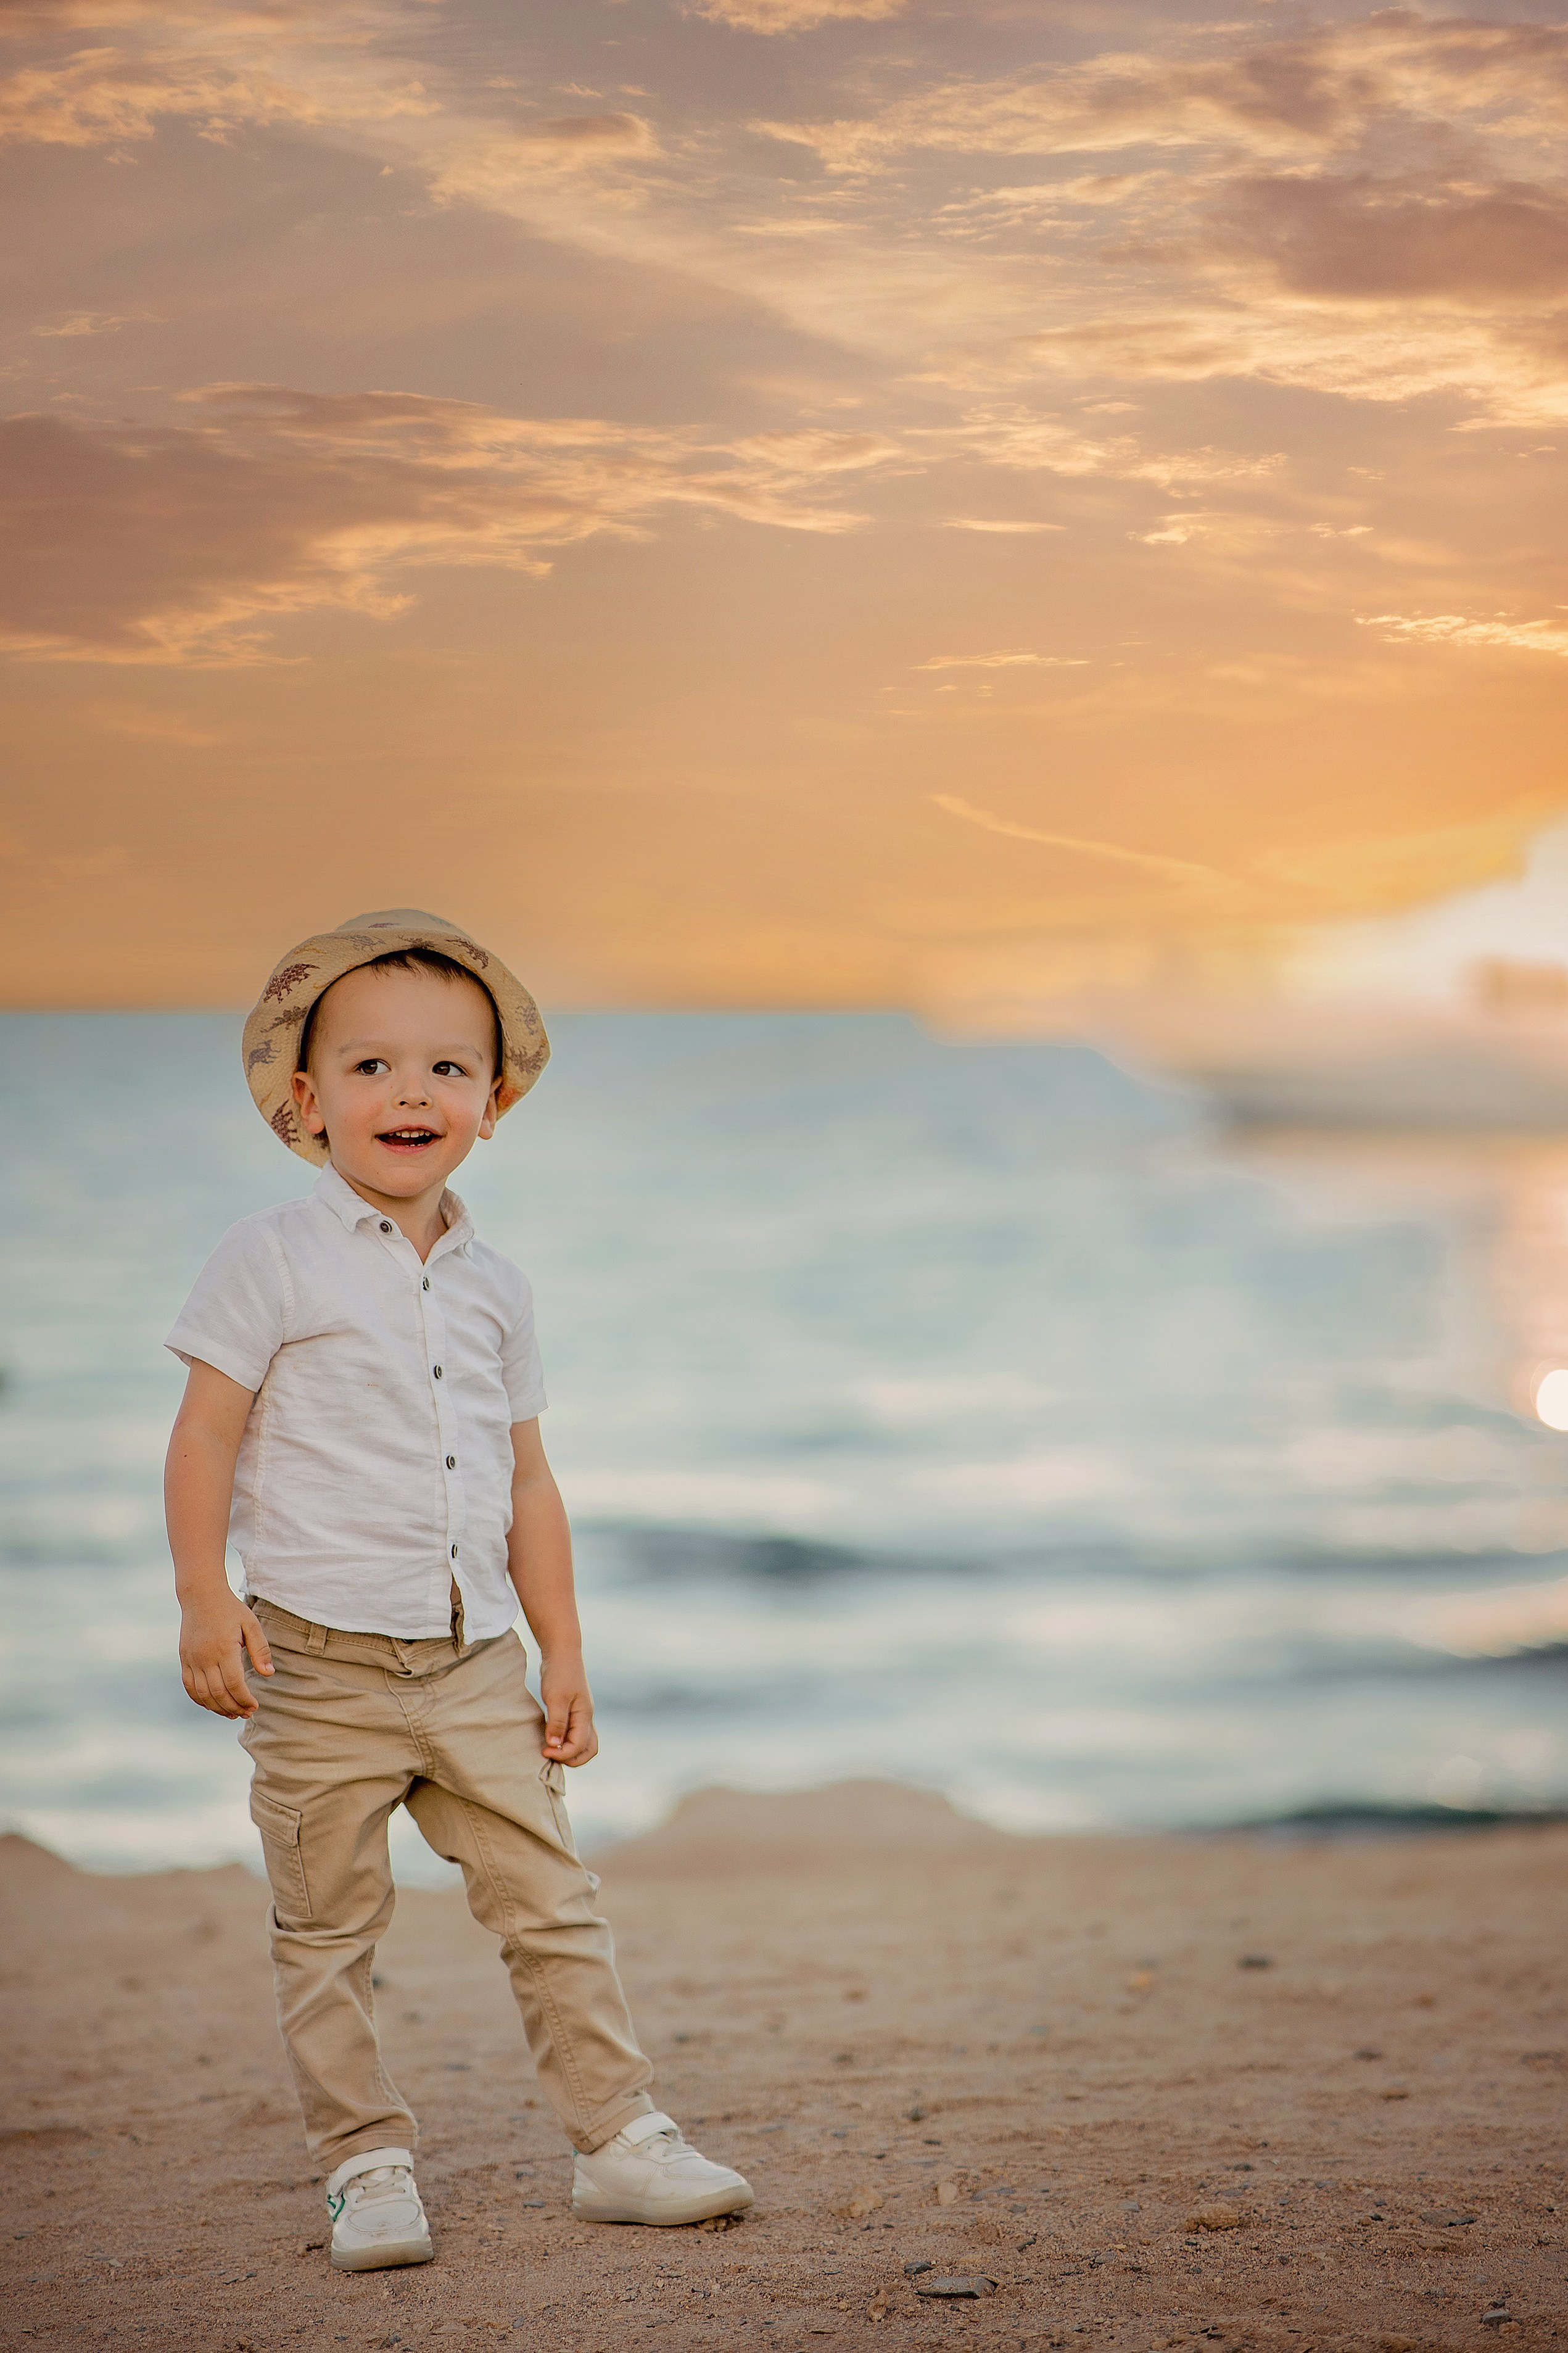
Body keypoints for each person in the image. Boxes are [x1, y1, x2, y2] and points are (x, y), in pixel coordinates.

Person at [163, 909, 751, 2273]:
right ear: (306, 1101)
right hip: (316, 1662)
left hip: (478, 1657)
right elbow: (204, 1434)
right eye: (368, 1067)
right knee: (326, 1924)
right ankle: (364, 2162)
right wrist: (206, 1595)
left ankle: (616, 2139)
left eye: (444, 1068)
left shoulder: (497, 1288)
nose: (408, 1092)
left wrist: (565, 1650)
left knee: (551, 1899)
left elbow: (527, 1480)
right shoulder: (271, 1256)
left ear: (494, 1101)